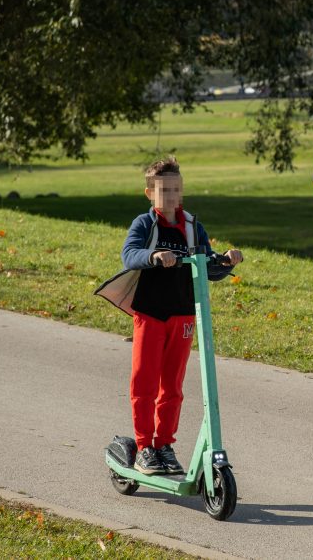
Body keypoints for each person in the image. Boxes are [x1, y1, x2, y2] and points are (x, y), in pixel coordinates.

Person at [96, 157, 243, 475]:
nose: (171, 196)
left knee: (172, 387)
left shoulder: (192, 227)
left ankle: (164, 445)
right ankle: (144, 447)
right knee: (144, 382)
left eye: (176, 189)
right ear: (150, 193)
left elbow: (208, 265)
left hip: (184, 316)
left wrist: (227, 261)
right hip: (150, 314)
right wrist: (153, 255)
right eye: (164, 191)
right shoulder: (145, 225)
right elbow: (129, 255)